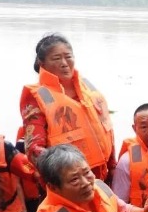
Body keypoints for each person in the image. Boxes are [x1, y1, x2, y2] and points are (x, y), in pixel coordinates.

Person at [19, 33, 116, 183]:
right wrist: (66, 177)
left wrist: (113, 167)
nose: (64, 63)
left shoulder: (88, 89)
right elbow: (34, 149)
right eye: (56, 58)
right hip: (68, 181)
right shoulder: (37, 96)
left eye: (68, 57)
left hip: (101, 177)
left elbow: (107, 129)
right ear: (42, 63)